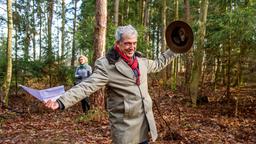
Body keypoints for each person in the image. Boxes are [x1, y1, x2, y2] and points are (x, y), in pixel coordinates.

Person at [44, 25, 177, 144]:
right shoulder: (107, 65)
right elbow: (86, 86)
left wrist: (175, 48)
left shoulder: (141, 61)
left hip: (144, 124)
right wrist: (61, 101)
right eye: (127, 43)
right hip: (125, 127)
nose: (132, 47)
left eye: (134, 43)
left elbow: (159, 64)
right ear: (118, 44)